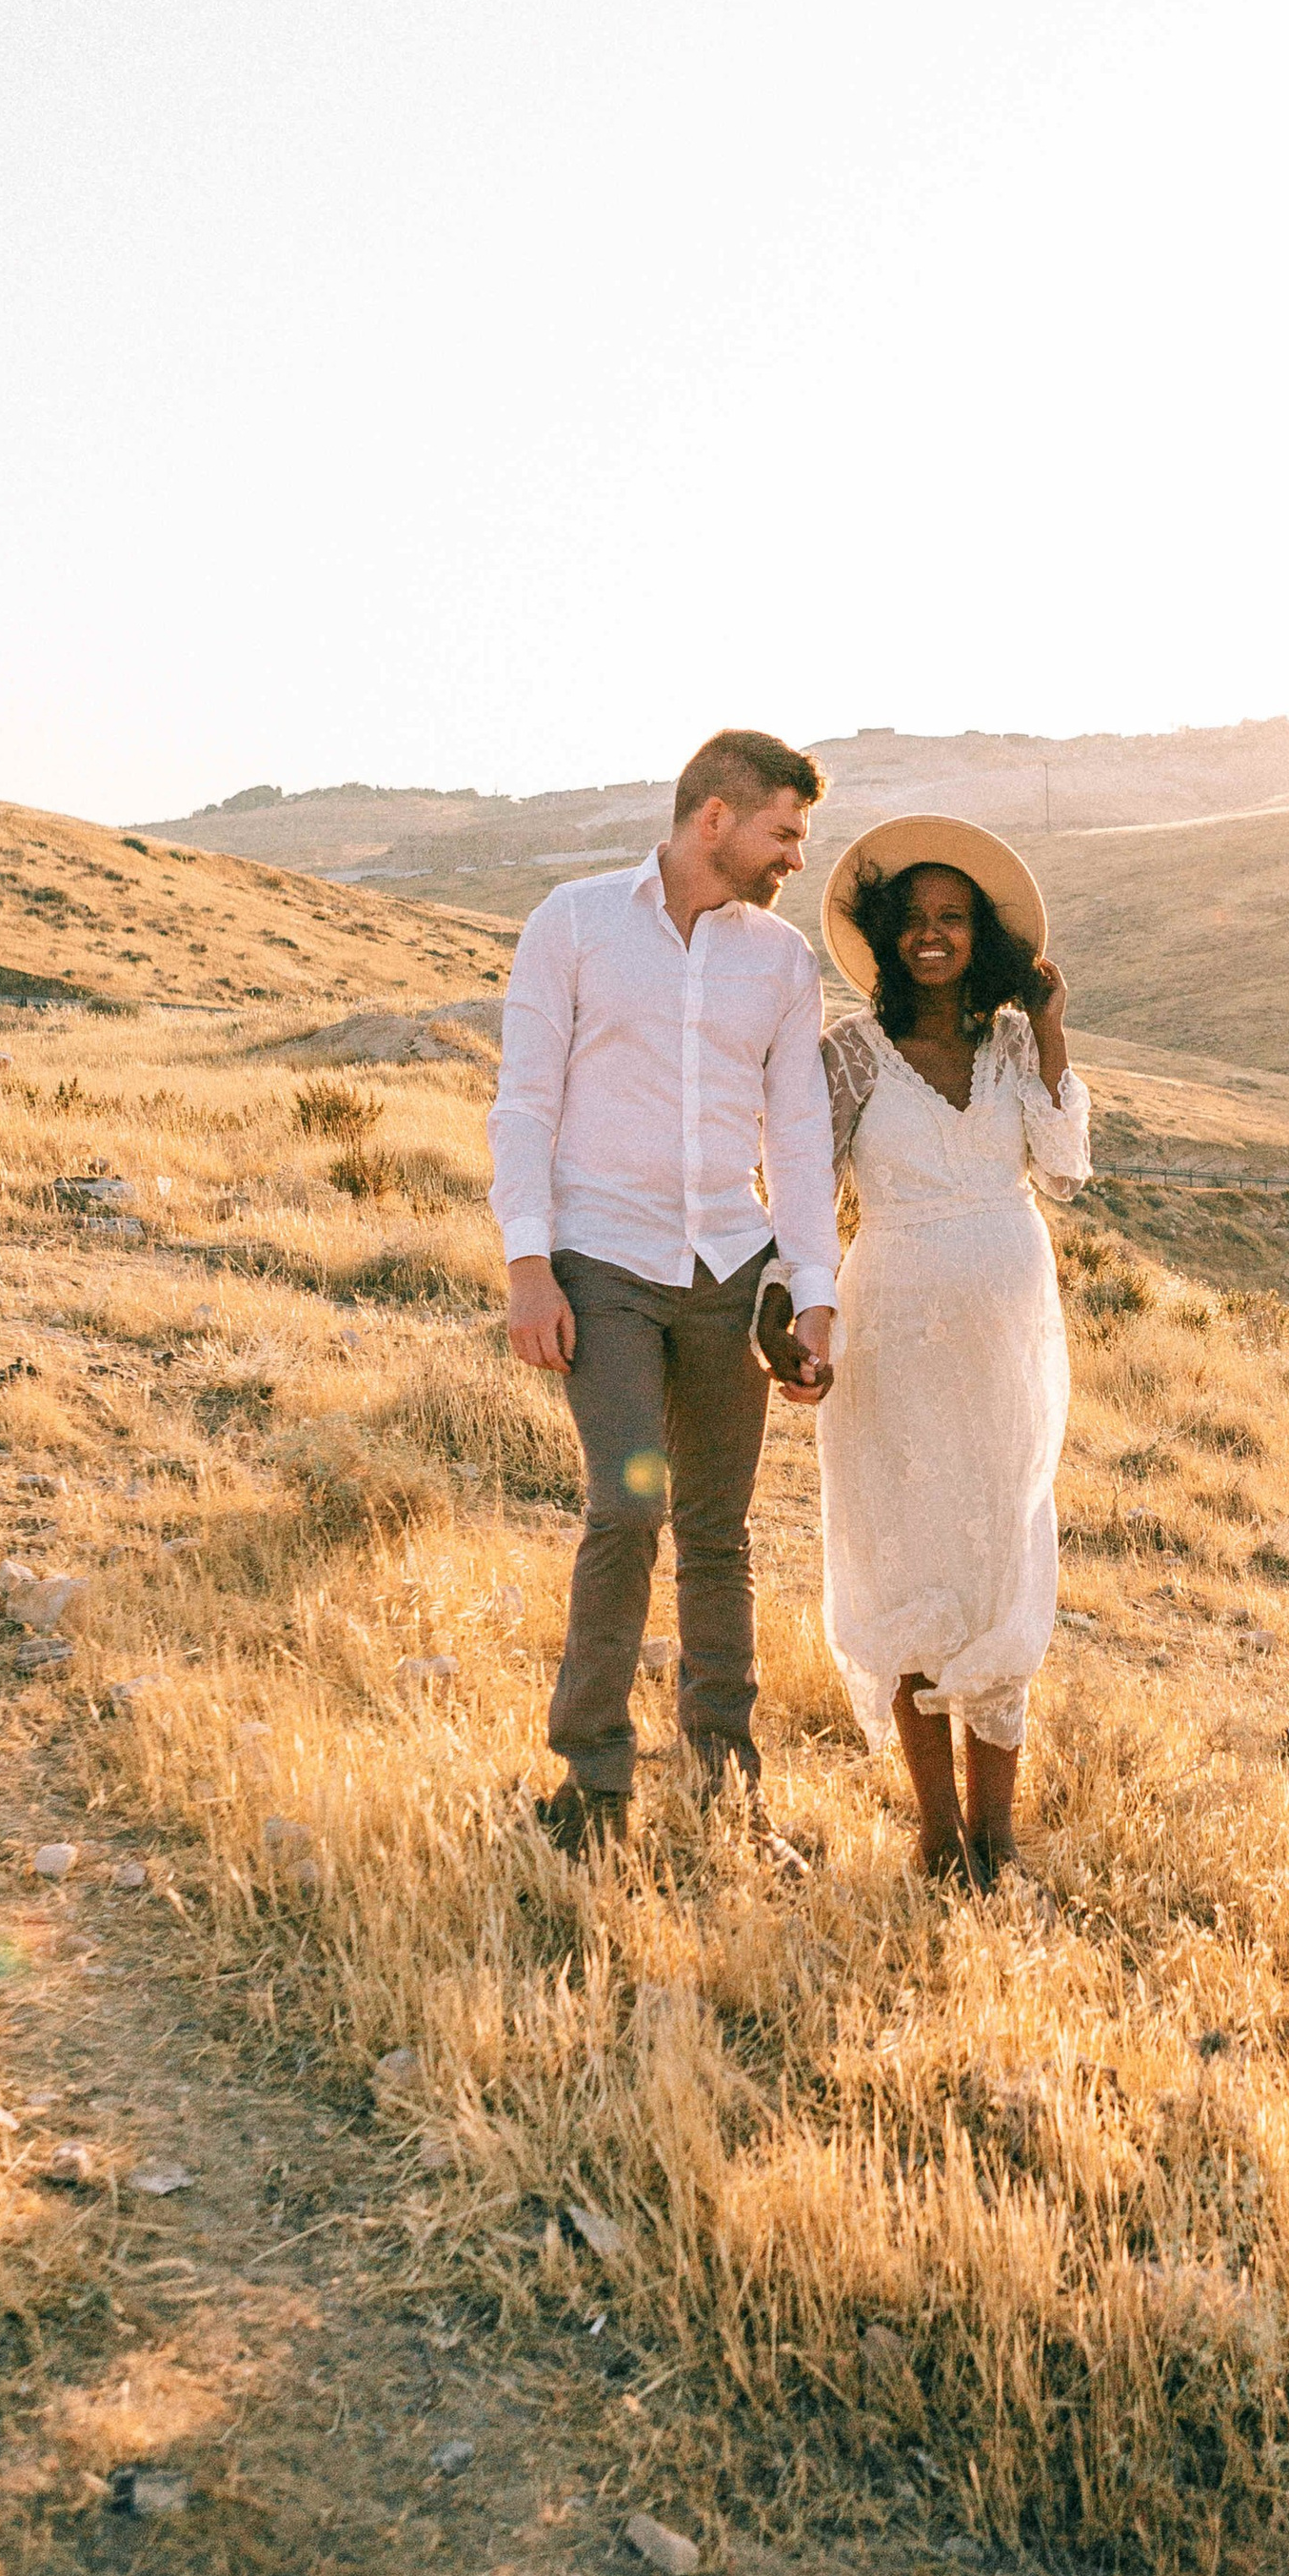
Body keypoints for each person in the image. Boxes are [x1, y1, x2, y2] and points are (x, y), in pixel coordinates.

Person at [491, 727, 840, 1853]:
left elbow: (795, 1135)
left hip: (727, 1272)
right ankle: (591, 1789)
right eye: (784, 834)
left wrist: (811, 1284)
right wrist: (526, 1261)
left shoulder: (782, 963)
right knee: (627, 1507)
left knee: (720, 1533)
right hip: (603, 1262)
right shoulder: (577, 923)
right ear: (715, 819)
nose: (794, 860)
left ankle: (725, 1791)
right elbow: (526, 1101)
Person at [814, 816, 1090, 1886]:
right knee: (909, 1564)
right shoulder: (847, 1053)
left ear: (983, 937)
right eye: (914, 920)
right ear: (887, 935)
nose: (933, 937)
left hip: (1010, 1346)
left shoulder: (1016, 1046)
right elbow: (793, 1187)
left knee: (1000, 1560)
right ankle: (936, 1835)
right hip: (890, 1340)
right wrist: (794, 1314)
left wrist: (1055, 1030)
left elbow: (1063, 1170)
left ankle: (999, 1836)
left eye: (954, 920)